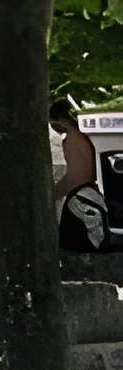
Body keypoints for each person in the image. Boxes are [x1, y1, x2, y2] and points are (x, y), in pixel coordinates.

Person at [55, 98, 107, 254]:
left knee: (69, 249)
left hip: (81, 199)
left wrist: (54, 192)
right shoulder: (84, 136)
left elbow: (75, 177)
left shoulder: (71, 140)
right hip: (89, 195)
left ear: (60, 120)